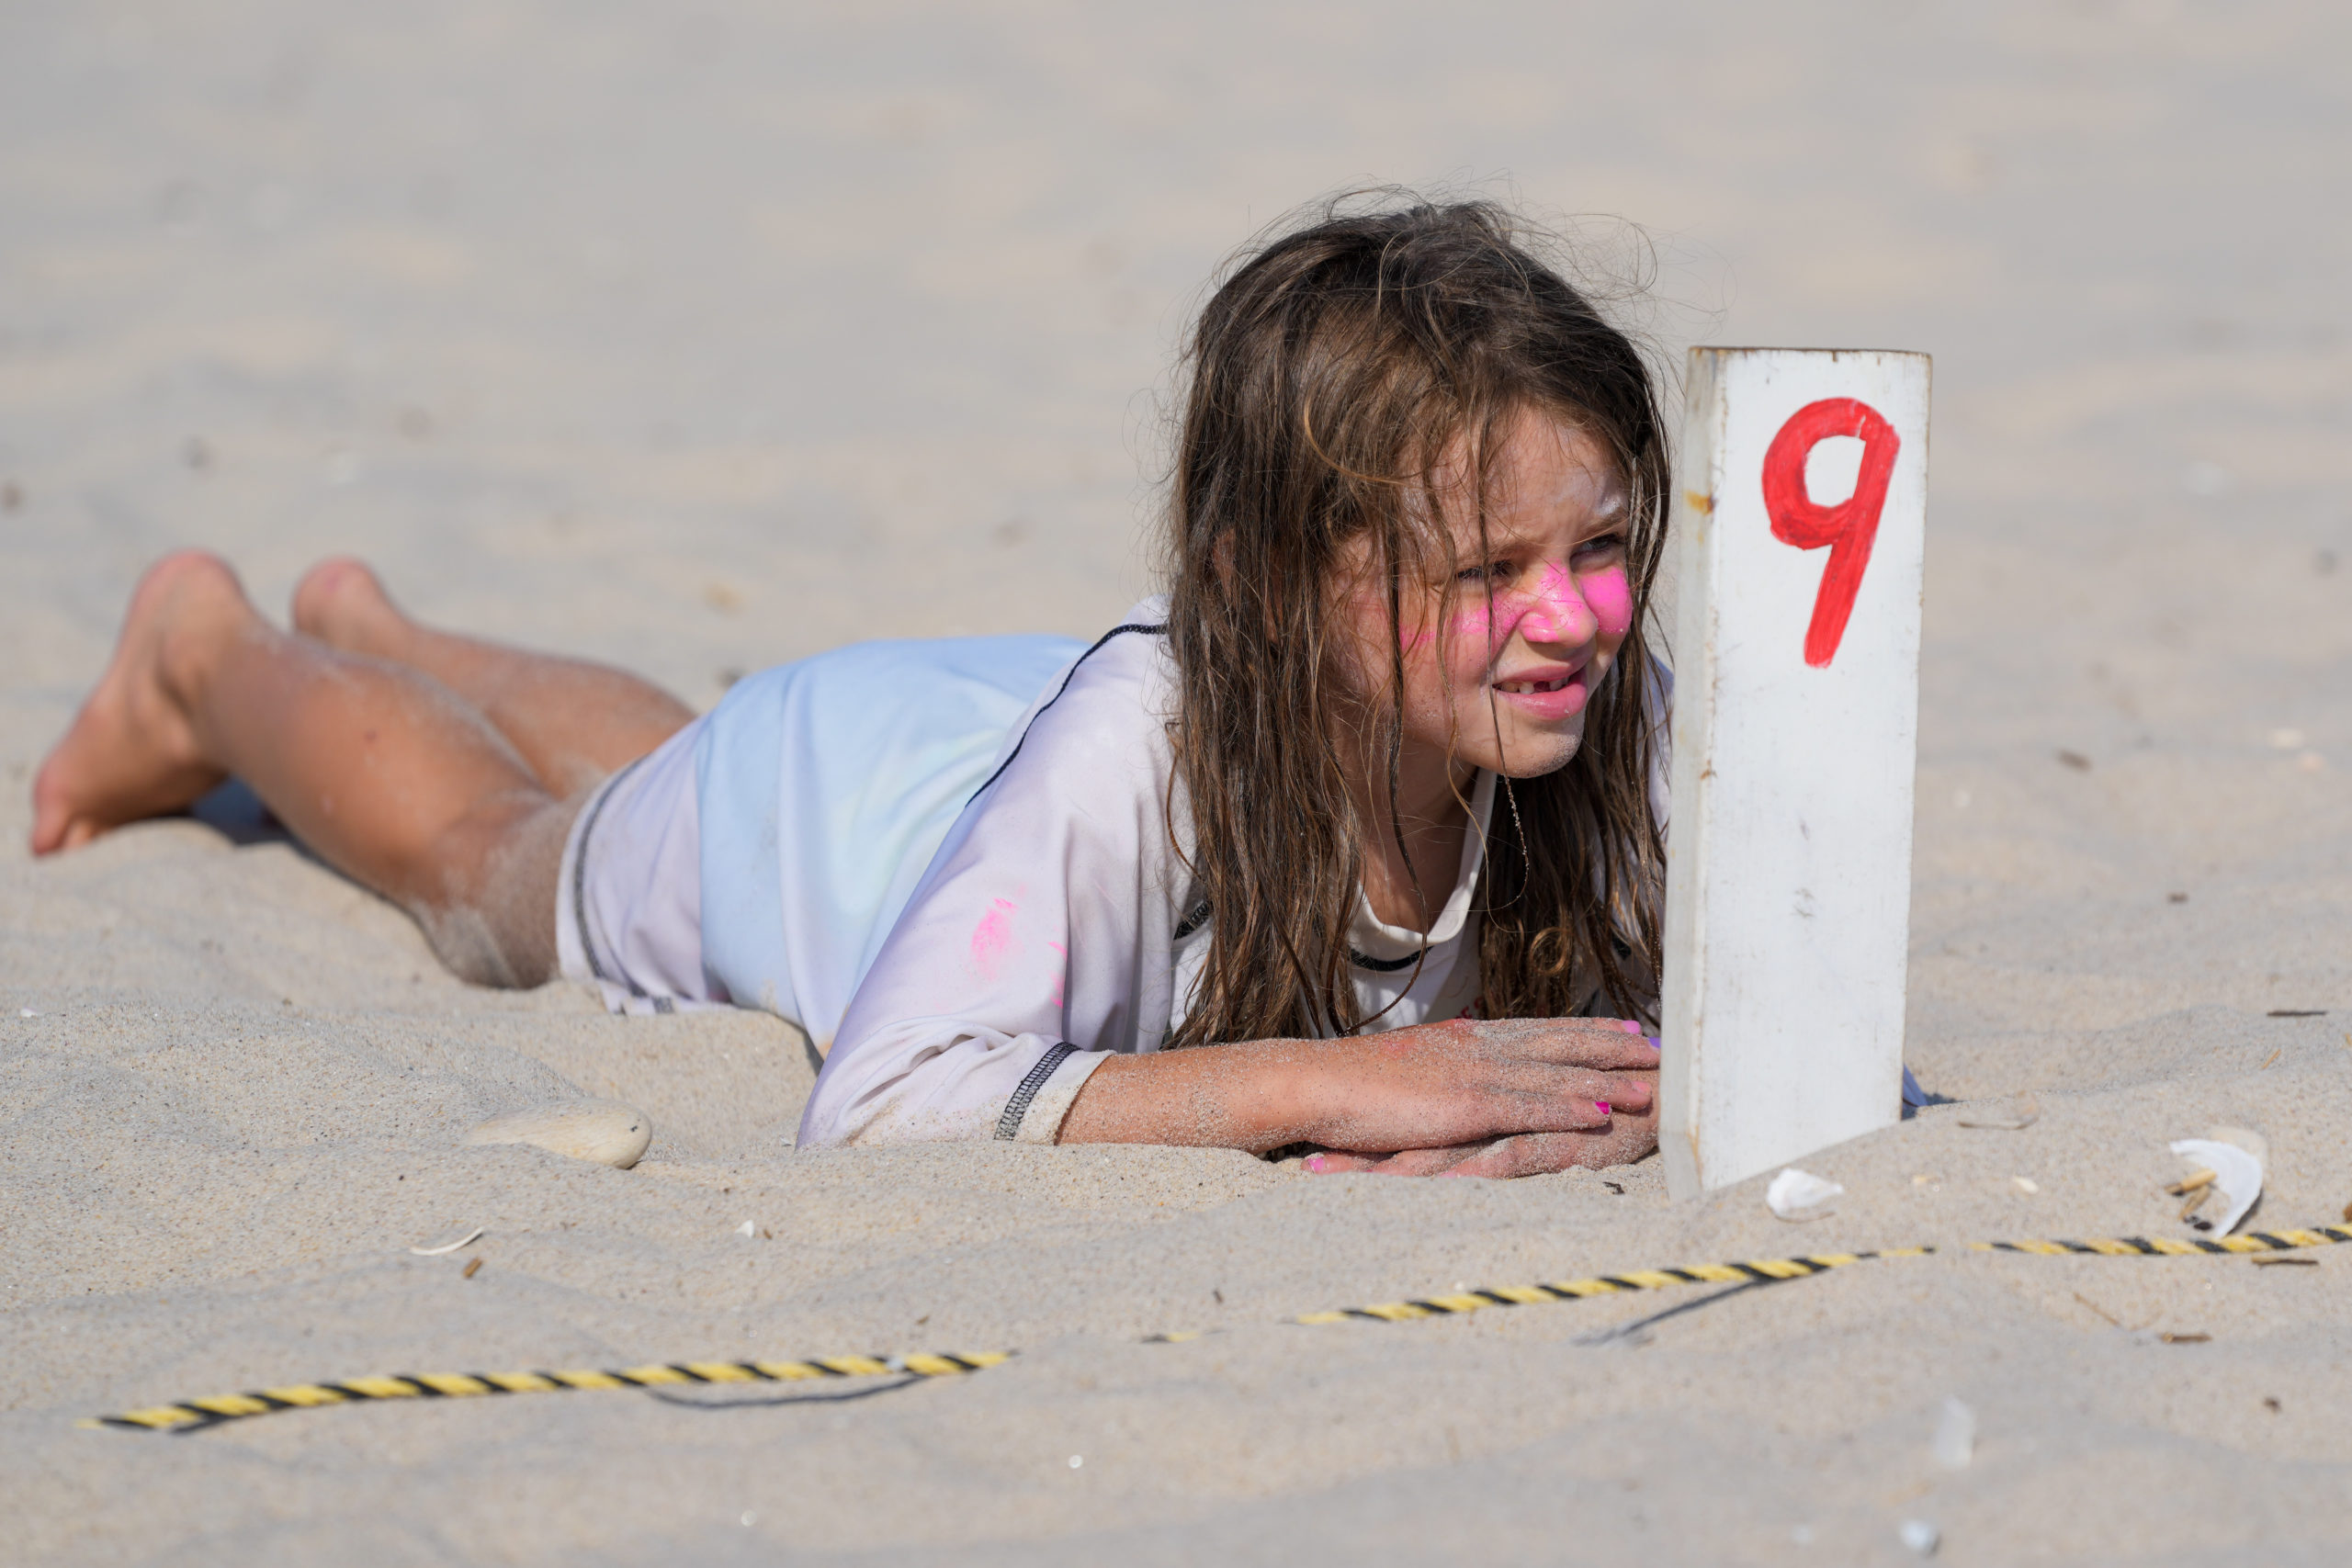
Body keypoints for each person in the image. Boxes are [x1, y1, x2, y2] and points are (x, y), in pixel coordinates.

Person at [32, 196, 1672, 1178]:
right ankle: (211, 657)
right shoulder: (1143, 754)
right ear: (1266, 584)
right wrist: (1350, 1080)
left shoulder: (1601, 703)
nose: (1573, 616)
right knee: (511, 869)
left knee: (672, 775)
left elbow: (1776, 1018)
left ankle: (384, 625)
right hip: (837, 791)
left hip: (942, 752)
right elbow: (877, 1108)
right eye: (1481, 574)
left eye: (1597, 547)